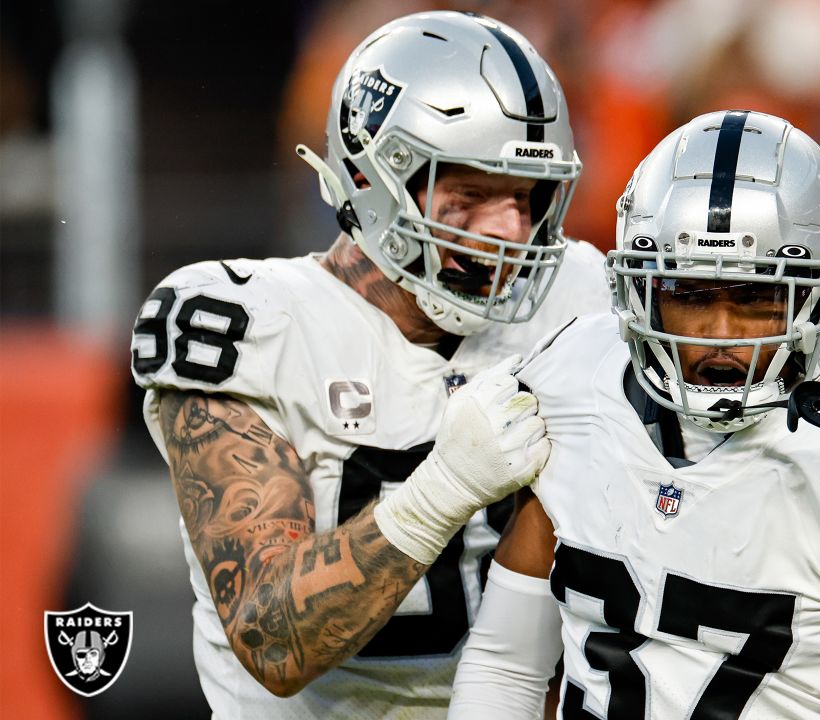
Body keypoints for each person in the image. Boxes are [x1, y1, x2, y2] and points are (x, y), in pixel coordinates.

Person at [448, 111, 820, 719]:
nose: (721, 335)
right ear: (640, 291)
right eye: (688, 294)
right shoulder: (573, 378)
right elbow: (506, 666)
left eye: (758, 296)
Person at [129, 11, 610, 717]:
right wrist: (443, 489)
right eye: (469, 195)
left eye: (525, 196)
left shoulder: (582, 298)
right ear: (370, 178)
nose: (509, 230)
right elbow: (273, 638)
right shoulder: (247, 322)